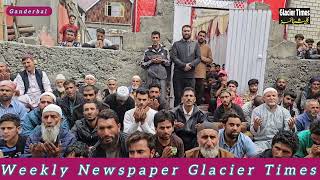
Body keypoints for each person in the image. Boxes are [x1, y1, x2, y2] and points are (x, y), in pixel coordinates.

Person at [250, 87, 296, 153]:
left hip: (280, 142)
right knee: (253, 154)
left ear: (278, 98)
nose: (271, 98)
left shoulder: (285, 112)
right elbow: (254, 133)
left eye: (274, 96)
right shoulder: (257, 111)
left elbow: (287, 133)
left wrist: (291, 127)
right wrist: (256, 126)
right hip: (261, 142)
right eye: (268, 96)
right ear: (264, 98)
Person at [171, 25, 201, 106]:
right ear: (182, 32)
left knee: (190, 97)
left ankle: (189, 116)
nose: (186, 32)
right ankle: (176, 116)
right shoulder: (176, 44)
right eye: (185, 31)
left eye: (188, 31)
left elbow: (198, 58)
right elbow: (173, 57)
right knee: (178, 97)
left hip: (190, 76)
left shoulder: (195, 44)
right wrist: (184, 65)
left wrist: (190, 65)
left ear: (191, 32)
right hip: (178, 75)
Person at [141, 31, 170, 101]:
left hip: (162, 77)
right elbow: (142, 64)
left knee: (162, 96)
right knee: (150, 95)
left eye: (156, 37)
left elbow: (169, 63)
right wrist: (151, 61)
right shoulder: (147, 51)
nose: (155, 39)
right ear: (151, 38)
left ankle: (162, 111)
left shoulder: (165, 50)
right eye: (153, 38)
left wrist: (162, 61)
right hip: (151, 77)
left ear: (159, 38)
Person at [194, 30, 213, 105]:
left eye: (203, 36)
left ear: (205, 38)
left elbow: (210, 60)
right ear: (197, 36)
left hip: (201, 74)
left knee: (200, 93)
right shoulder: (193, 45)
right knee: (191, 91)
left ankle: (198, 108)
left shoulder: (207, 47)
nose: (201, 37)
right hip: (191, 72)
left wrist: (201, 58)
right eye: (200, 35)